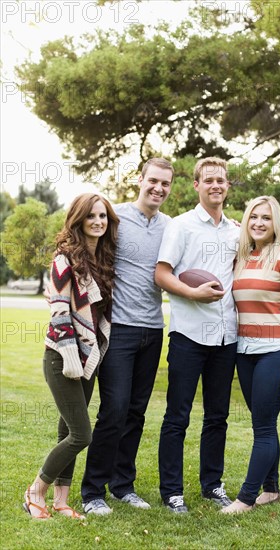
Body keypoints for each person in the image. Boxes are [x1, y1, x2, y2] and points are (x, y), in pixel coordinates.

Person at [81, 158, 174, 515]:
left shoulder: (170, 226)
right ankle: (92, 492)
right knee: (114, 410)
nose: (158, 188)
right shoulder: (114, 218)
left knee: (135, 412)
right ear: (140, 180)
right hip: (117, 329)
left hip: (153, 329)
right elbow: (84, 248)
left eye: (165, 184)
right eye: (153, 181)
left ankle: (122, 485)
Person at [23, 193, 119, 520]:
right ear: (78, 219)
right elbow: (60, 312)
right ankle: (36, 490)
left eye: (103, 216)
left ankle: (61, 501)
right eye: (91, 216)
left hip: (88, 356)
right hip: (61, 357)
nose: (98, 221)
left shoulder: (104, 259)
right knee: (82, 434)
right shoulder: (64, 259)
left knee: (67, 432)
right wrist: (69, 356)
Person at [155, 157, 239, 513]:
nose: (215, 185)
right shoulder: (181, 226)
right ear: (196, 185)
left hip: (226, 337)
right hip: (189, 335)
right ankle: (172, 492)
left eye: (221, 180)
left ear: (228, 186)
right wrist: (192, 293)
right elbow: (162, 274)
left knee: (217, 416)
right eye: (208, 180)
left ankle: (212, 484)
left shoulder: (238, 230)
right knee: (178, 415)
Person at [222, 196, 280, 514]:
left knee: (264, 427)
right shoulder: (241, 258)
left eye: (266, 218)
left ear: (276, 224)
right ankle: (270, 490)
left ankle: (245, 498)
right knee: (262, 423)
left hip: (276, 351)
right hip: (244, 352)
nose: (258, 223)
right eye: (253, 217)